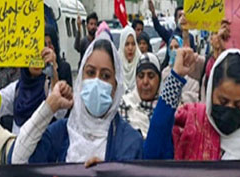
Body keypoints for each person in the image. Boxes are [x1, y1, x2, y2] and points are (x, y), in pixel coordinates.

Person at [10, 36, 143, 165]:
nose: (96, 81)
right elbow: (17, 160)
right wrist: (49, 107)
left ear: (116, 86)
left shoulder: (130, 142)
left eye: (105, 76)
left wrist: (110, 173)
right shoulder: (61, 133)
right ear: (80, 78)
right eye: (90, 73)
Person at [144, 48, 240, 160]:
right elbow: (153, 153)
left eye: (238, 105)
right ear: (210, 92)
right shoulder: (190, 122)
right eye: (223, 101)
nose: (229, 108)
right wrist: (175, 79)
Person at [119, 52, 161, 137]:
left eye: (151, 76)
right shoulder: (125, 104)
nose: (145, 82)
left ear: (159, 80)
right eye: (141, 76)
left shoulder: (166, 108)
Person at [161, 35, 201, 106]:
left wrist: (183, 98)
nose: (173, 50)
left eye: (176, 47)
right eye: (171, 48)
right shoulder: (165, 72)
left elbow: (196, 94)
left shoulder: (191, 70)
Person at [118, 25, 141, 93]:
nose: (130, 48)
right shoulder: (117, 65)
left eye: (133, 44)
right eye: (127, 44)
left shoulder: (141, 62)